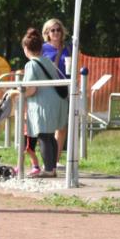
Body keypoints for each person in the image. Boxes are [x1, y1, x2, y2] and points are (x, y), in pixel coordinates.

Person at [11, 27, 66, 178]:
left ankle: (48, 170)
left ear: (25, 48)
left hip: (43, 105)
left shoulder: (31, 64)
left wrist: (16, 93)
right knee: (50, 137)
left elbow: (31, 89)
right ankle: (52, 168)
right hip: (57, 102)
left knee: (43, 137)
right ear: (41, 48)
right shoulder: (47, 61)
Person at [41, 18, 71, 160]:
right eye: (52, 30)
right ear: (47, 33)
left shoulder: (69, 48)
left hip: (64, 89)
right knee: (49, 127)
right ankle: (48, 160)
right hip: (48, 90)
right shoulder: (42, 49)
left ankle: (56, 160)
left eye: (58, 29)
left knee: (62, 126)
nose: (56, 32)